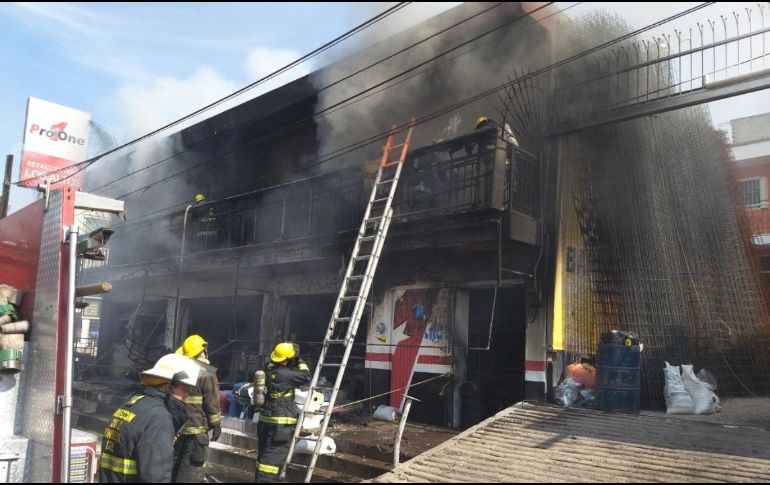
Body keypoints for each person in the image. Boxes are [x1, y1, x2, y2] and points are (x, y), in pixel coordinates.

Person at [99, 353, 199, 483]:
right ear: (169, 387)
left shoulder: (133, 404)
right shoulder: (158, 418)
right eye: (184, 390)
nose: (186, 396)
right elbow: (156, 477)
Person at [255, 342, 311, 482]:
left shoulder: (267, 369)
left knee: (263, 458)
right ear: (287, 359)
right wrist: (299, 360)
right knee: (269, 465)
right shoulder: (286, 375)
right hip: (281, 425)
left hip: (265, 421)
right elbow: (306, 376)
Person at [173, 334, 222, 483]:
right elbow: (211, 402)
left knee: (174, 471)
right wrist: (216, 424)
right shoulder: (207, 373)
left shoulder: (179, 372)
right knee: (191, 473)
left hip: (178, 431)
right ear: (203, 351)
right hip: (196, 434)